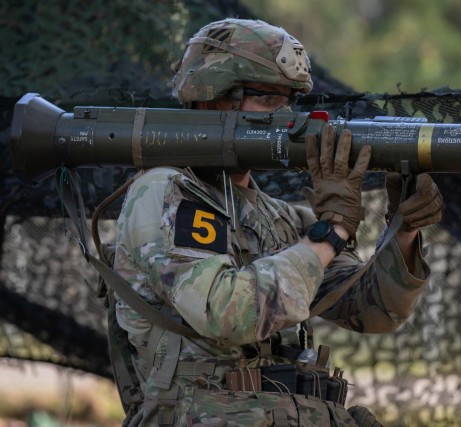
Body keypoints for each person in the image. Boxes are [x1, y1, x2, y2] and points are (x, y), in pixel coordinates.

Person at [110, 18, 443, 426]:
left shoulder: (279, 216)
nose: (286, 117)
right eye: (268, 99)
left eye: (290, 102)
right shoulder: (165, 191)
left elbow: (373, 312)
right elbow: (229, 311)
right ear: (213, 100)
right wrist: (332, 231)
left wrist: (404, 229)